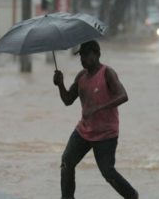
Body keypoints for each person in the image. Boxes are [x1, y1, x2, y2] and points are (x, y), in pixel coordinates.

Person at [53, 40, 139, 199]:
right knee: (67, 161)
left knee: (107, 172)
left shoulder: (107, 73)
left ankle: (132, 195)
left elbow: (123, 95)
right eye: (81, 56)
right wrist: (60, 84)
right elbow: (67, 100)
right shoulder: (81, 77)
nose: (82, 59)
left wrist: (98, 107)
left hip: (106, 133)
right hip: (84, 130)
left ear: (97, 54)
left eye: (86, 55)